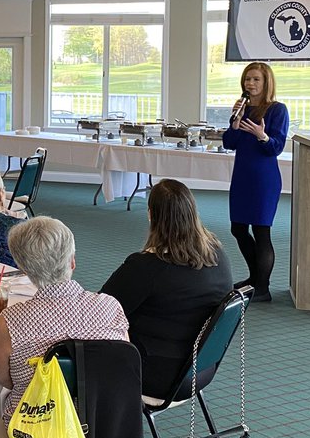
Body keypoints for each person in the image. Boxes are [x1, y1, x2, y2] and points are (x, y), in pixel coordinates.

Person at [0, 217, 129, 438]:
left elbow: (5, 379)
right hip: (101, 434)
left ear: (25, 270)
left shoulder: (11, 320)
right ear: (73, 261)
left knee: (4, 403)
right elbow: (124, 372)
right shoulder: (110, 308)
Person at [100, 179, 234, 396]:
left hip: (159, 374)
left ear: (151, 214)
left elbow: (100, 310)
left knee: (84, 352)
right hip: (202, 369)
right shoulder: (218, 256)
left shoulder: (146, 267)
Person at [222, 61, 289, 302]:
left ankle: (263, 288)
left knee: (262, 231)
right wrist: (235, 122)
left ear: (266, 82)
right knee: (238, 228)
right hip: (242, 176)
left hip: (264, 179)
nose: (249, 83)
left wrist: (262, 136)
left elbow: (276, 148)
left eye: (255, 79)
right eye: (247, 79)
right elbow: (229, 142)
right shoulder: (242, 109)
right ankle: (254, 278)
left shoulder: (277, 110)